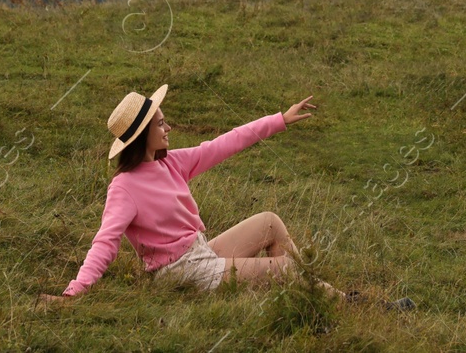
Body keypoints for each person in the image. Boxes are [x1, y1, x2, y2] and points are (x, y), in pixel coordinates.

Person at [39, 84, 411, 309]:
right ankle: (344, 304)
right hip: (178, 273)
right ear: (141, 136)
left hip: (200, 253)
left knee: (270, 222)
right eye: (160, 123)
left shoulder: (172, 163)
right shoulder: (124, 188)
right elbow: (105, 242)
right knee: (283, 269)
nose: (169, 127)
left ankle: (303, 299)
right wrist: (73, 295)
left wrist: (280, 119)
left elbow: (226, 142)